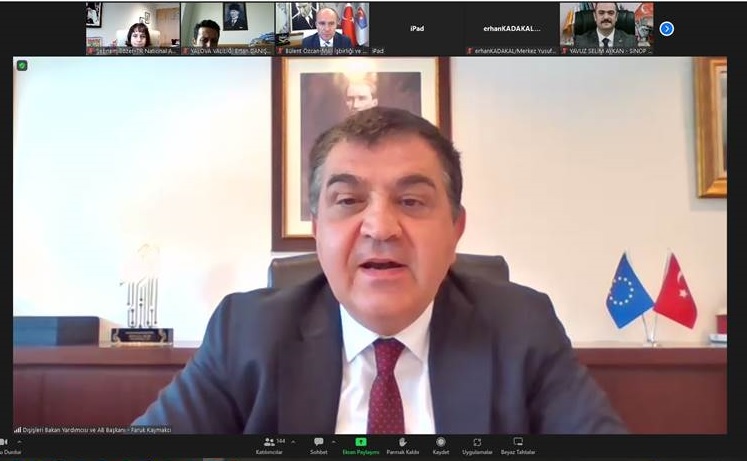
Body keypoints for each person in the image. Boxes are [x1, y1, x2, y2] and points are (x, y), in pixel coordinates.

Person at [131, 107, 628, 434]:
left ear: (455, 230)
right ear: (317, 230)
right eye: (348, 201)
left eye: (411, 201)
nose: (380, 228)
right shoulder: (246, 334)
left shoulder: (522, 328)